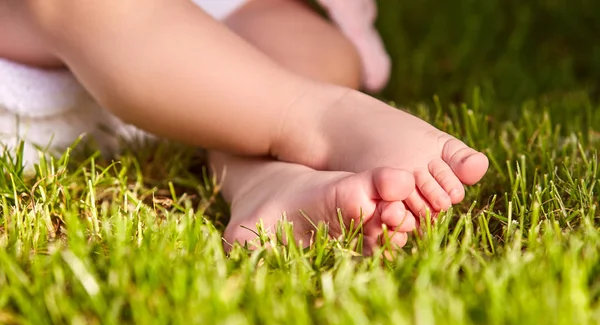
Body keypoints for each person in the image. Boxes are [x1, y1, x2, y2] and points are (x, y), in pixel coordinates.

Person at [0, 0, 489, 251]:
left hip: (190, 62)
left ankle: (263, 181)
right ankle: (316, 116)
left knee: (311, 41)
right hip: (32, 42)